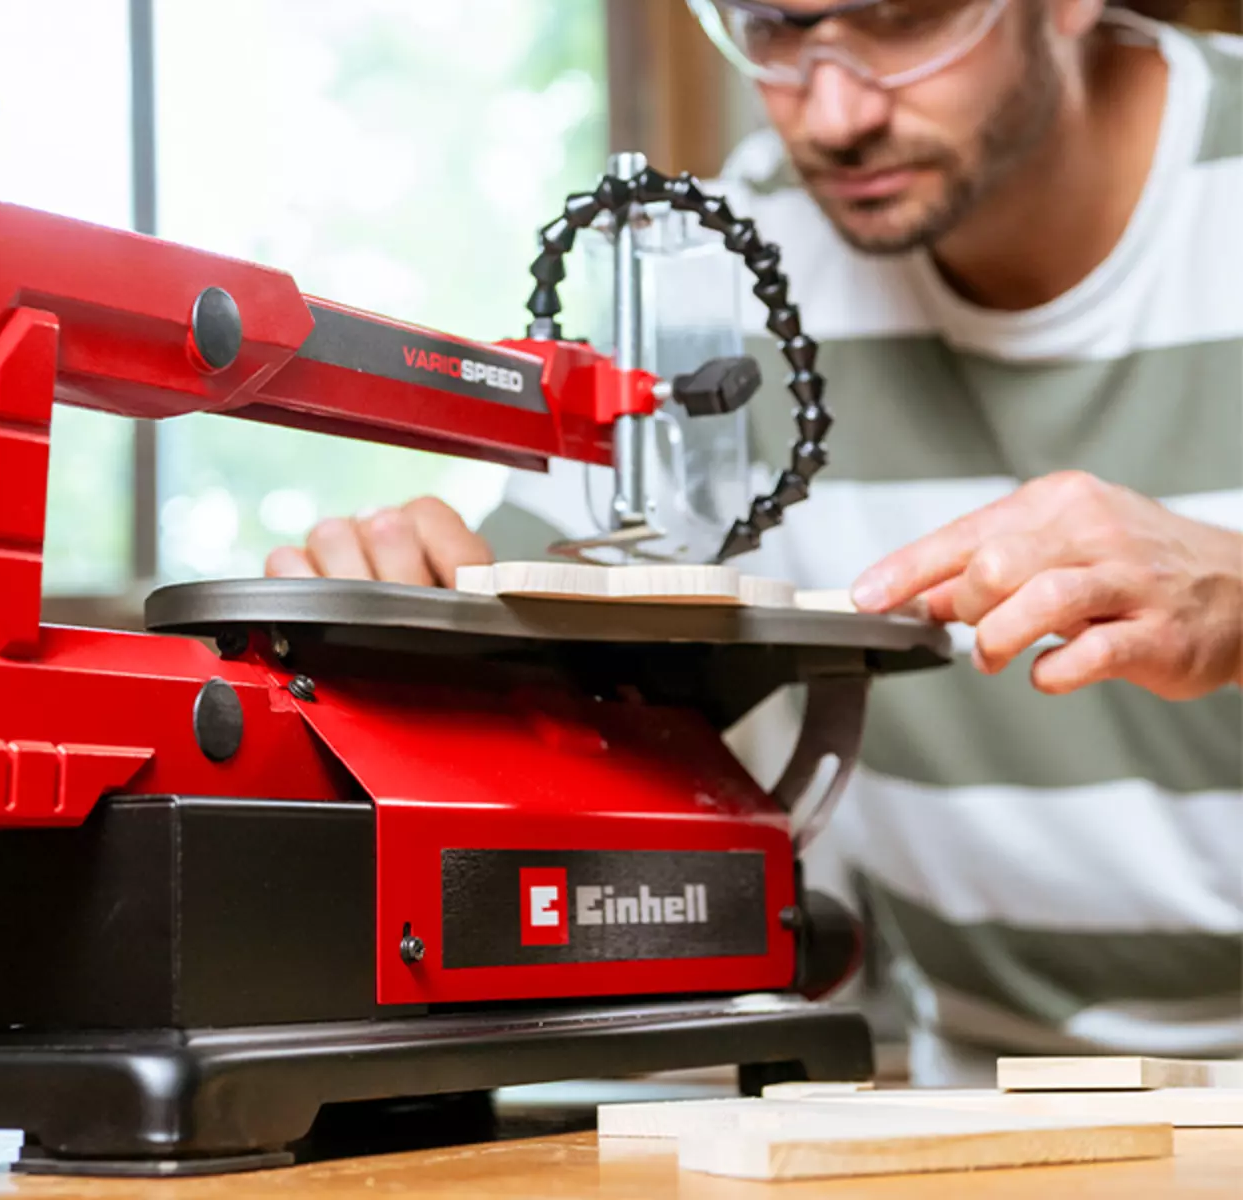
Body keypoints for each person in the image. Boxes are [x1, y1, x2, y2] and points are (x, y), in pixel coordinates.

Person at [265, 0, 1243, 1084]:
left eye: (901, 20)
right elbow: (521, 616)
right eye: (776, 28)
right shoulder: (726, 269)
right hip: (979, 1098)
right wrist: (405, 603)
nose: (831, 113)